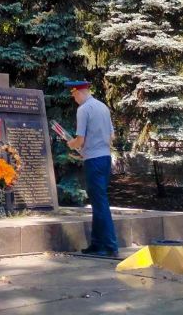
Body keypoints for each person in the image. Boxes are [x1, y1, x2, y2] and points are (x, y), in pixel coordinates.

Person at [65, 80, 119, 258]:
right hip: (104, 158)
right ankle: (97, 244)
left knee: (100, 202)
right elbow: (111, 135)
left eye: (74, 95)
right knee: (98, 201)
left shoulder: (83, 109)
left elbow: (80, 139)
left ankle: (110, 245)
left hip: (93, 161)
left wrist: (72, 144)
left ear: (79, 92)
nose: (74, 99)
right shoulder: (103, 107)